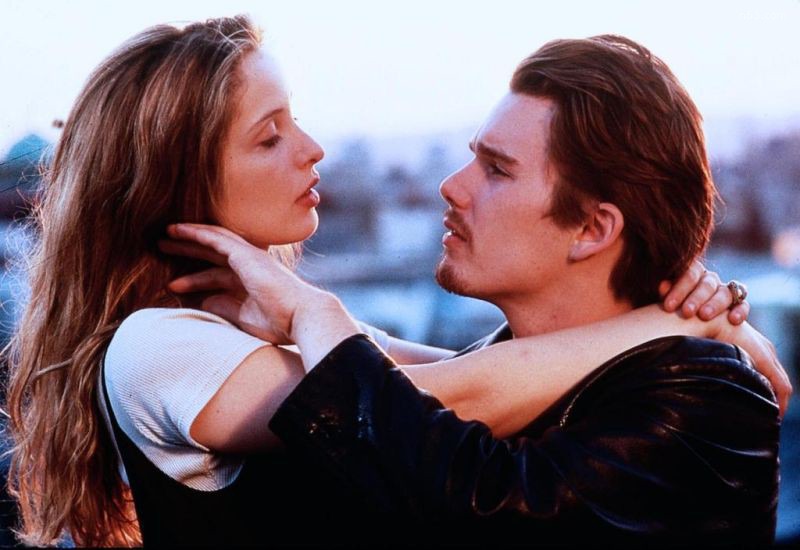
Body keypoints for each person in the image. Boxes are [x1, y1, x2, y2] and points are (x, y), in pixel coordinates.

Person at [3, 16, 787, 547]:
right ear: (179, 179)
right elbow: (417, 403)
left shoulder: (696, 399)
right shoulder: (161, 343)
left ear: (592, 228)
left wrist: (706, 326)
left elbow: (414, 394)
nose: (313, 149)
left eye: (496, 168)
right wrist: (676, 321)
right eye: (270, 137)